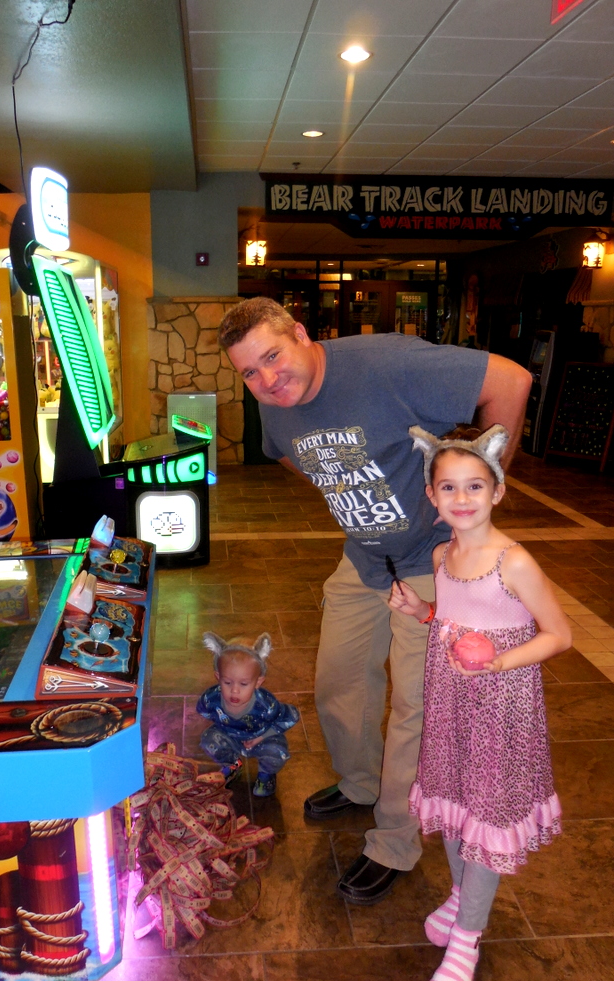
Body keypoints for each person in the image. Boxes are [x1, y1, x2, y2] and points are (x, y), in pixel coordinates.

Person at [217, 297, 532, 903]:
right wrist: (348, 493)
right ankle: (362, 783)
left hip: (433, 564)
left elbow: (511, 381)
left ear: (300, 333)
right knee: (340, 683)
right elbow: (288, 455)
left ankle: (394, 839)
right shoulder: (272, 407)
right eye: (249, 372)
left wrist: (481, 489)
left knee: (415, 709)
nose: (267, 379)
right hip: (363, 560)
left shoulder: (388, 364)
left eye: (273, 357)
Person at [389, 424, 571, 981]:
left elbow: (560, 635)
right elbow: (453, 617)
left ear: (498, 491)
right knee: (453, 800)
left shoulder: (513, 562)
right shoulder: (442, 555)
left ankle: (468, 934)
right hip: (451, 701)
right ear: (432, 495)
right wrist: (423, 611)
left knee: (486, 812)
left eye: (475, 485)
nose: (462, 498)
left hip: (501, 707)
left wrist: (499, 662)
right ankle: (461, 892)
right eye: (448, 487)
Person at [196, 631, 300, 797]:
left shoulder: (266, 704)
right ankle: (232, 764)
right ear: (218, 677)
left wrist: (261, 737)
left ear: (258, 682)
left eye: (244, 684)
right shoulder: (211, 698)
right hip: (230, 736)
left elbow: (291, 716)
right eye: (227, 682)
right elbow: (203, 709)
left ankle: (266, 774)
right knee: (209, 740)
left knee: (276, 751)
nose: (234, 690)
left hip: (261, 738)